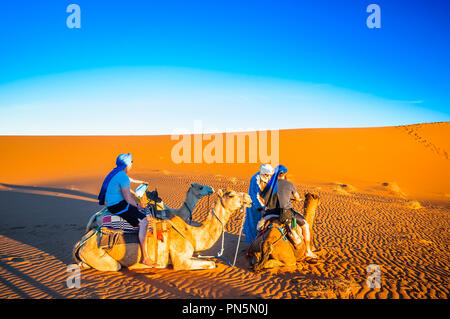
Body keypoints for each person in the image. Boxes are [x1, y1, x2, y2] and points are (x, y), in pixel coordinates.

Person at [98, 153, 154, 266]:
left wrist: (141, 182)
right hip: (118, 206)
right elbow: (128, 199)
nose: (132, 164)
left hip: (114, 203)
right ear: (128, 164)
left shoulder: (117, 173)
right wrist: (138, 206)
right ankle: (145, 257)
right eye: (131, 162)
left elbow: (131, 180)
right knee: (144, 221)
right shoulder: (122, 177)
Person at [261, 165, 317, 258]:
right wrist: (297, 199)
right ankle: (308, 251)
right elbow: (297, 197)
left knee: (260, 224)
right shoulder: (290, 184)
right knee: (305, 226)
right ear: (285, 174)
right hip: (286, 212)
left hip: (271, 211)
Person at [243, 164, 274, 243]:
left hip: (263, 204)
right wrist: (261, 209)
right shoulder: (255, 179)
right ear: (264, 173)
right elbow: (255, 196)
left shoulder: (266, 177)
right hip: (254, 205)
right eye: (268, 175)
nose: (269, 176)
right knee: (253, 225)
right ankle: (252, 244)